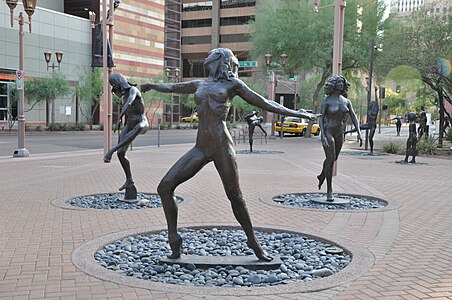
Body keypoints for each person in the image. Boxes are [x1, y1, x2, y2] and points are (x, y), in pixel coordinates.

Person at [141, 48, 319, 261]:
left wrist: (298, 113)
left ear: (218, 59)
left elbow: (264, 102)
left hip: (222, 145)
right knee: (165, 186)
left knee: (235, 195)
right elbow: (172, 87)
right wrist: (151, 86)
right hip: (201, 147)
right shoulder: (200, 84)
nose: (206, 56)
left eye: (211, 54)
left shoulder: (232, 84)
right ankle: (174, 237)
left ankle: (253, 241)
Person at [317, 75, 362, 201]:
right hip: (328, 132)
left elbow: (353, 117)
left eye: (342, 82)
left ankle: (321, 175)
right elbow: (321, 119)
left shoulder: (346, 101)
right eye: (338, 82)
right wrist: (323, 135)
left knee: (333, 158)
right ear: (333, 84)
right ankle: (329, 190)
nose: (341, 84)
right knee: (330, 159)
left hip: (339, 133)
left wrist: (359, 132)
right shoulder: (327, 101)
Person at [103, 73, 149, 193]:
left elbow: (129, 103)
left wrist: (119, 118)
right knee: (121, 153)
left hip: (141, 122)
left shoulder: (133, 90)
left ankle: (110, 151)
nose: (115, 87)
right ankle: (129, 180)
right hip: (129, 124)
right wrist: (121, 121)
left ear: (119, 82)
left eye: (115, 85)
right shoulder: (123, 96)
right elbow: (127, 109)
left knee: (138, 128)